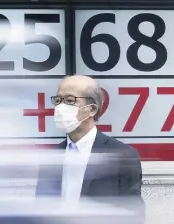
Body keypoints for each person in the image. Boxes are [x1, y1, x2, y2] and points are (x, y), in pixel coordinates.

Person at [35, 75, 144, 208]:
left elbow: (133, 215)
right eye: (58, 100)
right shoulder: (50, 158)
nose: (60, 107)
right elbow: (40, 211)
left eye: (69, 100)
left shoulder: (122, 156)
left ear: (92, 109)